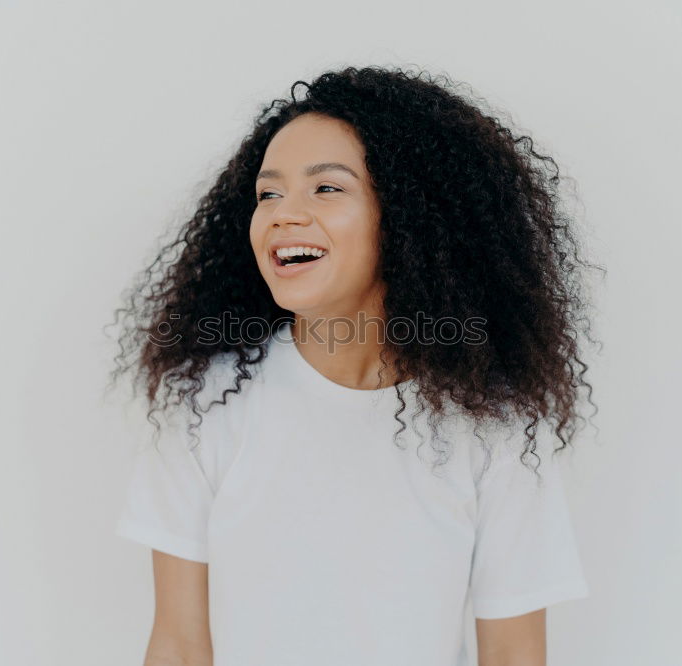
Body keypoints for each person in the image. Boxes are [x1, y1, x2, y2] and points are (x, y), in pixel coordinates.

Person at [108, 65, 603, 666]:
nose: (284, 214)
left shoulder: (493, 423)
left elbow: (514, 654)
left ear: (408, 218)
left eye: (326, 188)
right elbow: (180, 647)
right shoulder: (203, 402)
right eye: (269, 193)